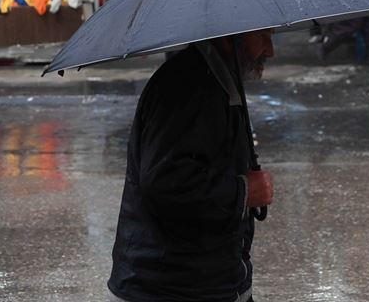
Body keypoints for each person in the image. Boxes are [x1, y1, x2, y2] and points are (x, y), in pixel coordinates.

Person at [107, 30, 275, 302]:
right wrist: (244, 191)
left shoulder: (215, 80)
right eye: (263, 37)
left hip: (202, 281)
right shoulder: (188, 87)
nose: (270, 50)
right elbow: (164, 181)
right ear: (229, 36)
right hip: (169, 288)